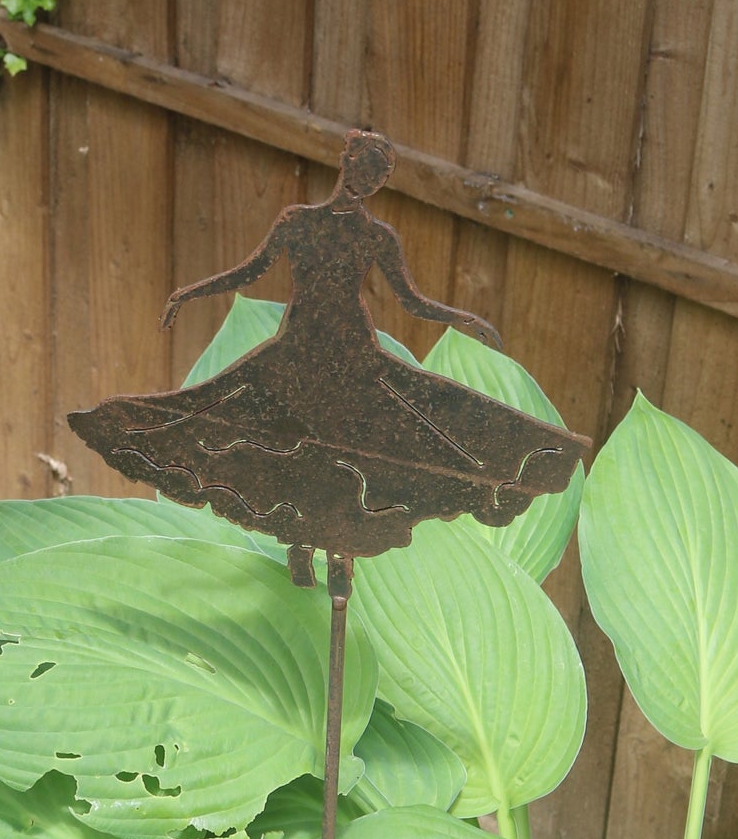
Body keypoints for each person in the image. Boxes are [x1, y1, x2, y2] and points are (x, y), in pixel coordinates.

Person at [69, 130, 584, 583]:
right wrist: (190, 293)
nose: (370, 180)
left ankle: (336, 539)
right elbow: (248, 272)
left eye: (379, 175)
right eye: (366, 167)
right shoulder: (298, 221)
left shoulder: (375, 235)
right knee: (252, 422)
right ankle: (300, 537)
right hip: (299, 345)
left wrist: (461, 319)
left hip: (351, 347)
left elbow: (410, 301)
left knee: (389, 431)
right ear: (347, 162)